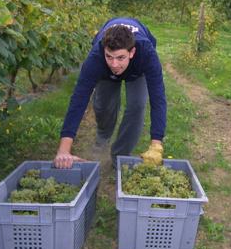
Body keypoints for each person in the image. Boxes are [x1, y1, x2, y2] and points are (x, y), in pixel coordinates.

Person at [54, 18, 166, 169]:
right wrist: (64, 149)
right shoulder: (96, 58)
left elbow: (158, 98)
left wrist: (156, 144)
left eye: (120, 57)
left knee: (137, 106)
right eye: (109, 57)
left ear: (131, 52)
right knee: (103, 106)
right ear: (103, 50)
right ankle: (103, 137)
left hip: (137, 71)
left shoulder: (146, 53)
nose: (114, 64)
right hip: (105, 74)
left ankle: (119, 156)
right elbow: (79, 99)